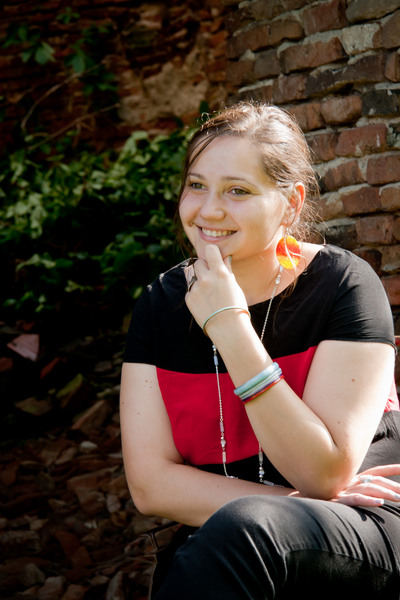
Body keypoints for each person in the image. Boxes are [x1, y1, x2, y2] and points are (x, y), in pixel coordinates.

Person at [120, 102, 400, 599]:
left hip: (363, 518)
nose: (208, 210)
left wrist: (229, 326)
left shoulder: (343, 285)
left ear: (291, 204)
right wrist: (287, 499)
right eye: (197, 185)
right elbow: (151, 486)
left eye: (238, 191)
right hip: (236, 530)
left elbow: (325, 474)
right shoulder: (160, 304)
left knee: (237, 536)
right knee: (211, 549)